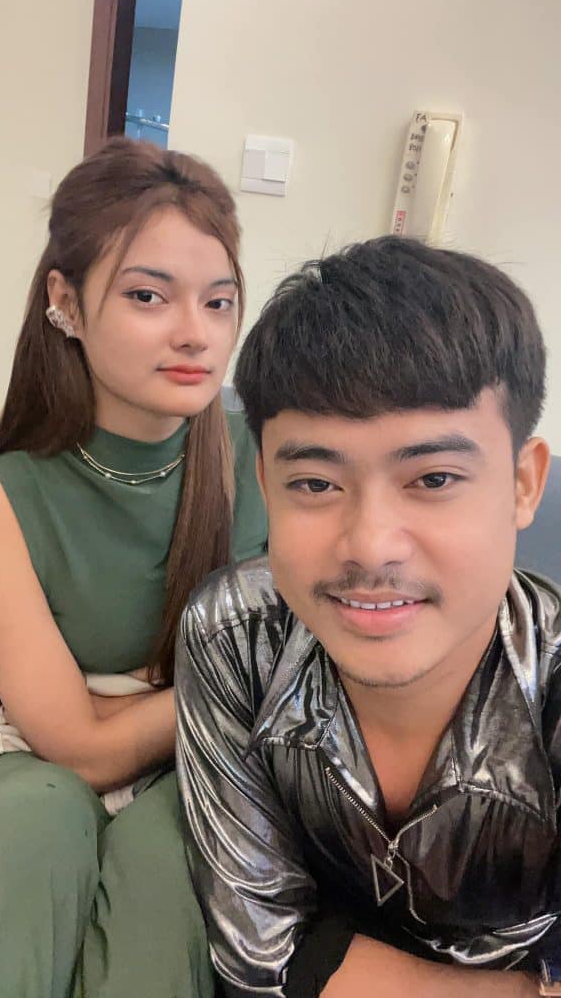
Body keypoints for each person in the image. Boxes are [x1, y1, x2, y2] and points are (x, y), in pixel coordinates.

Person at [175, 235, 561, 998]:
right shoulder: (236, 636)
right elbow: (261, 951)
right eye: (316, 484)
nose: (369, 545)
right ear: (265, 483)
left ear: (523, 484)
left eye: (434, 479)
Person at [0, 137, 267, 998]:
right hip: (37, 766)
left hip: (217, 762)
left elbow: (294, 674)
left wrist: (117, 709)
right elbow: (73, 750)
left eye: (219, 302)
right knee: (30, 821)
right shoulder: (4, 493)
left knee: (167, 851)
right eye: (149, 295)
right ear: (64, 302)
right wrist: (207, 689)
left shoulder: (268, 457)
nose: (195, 333)